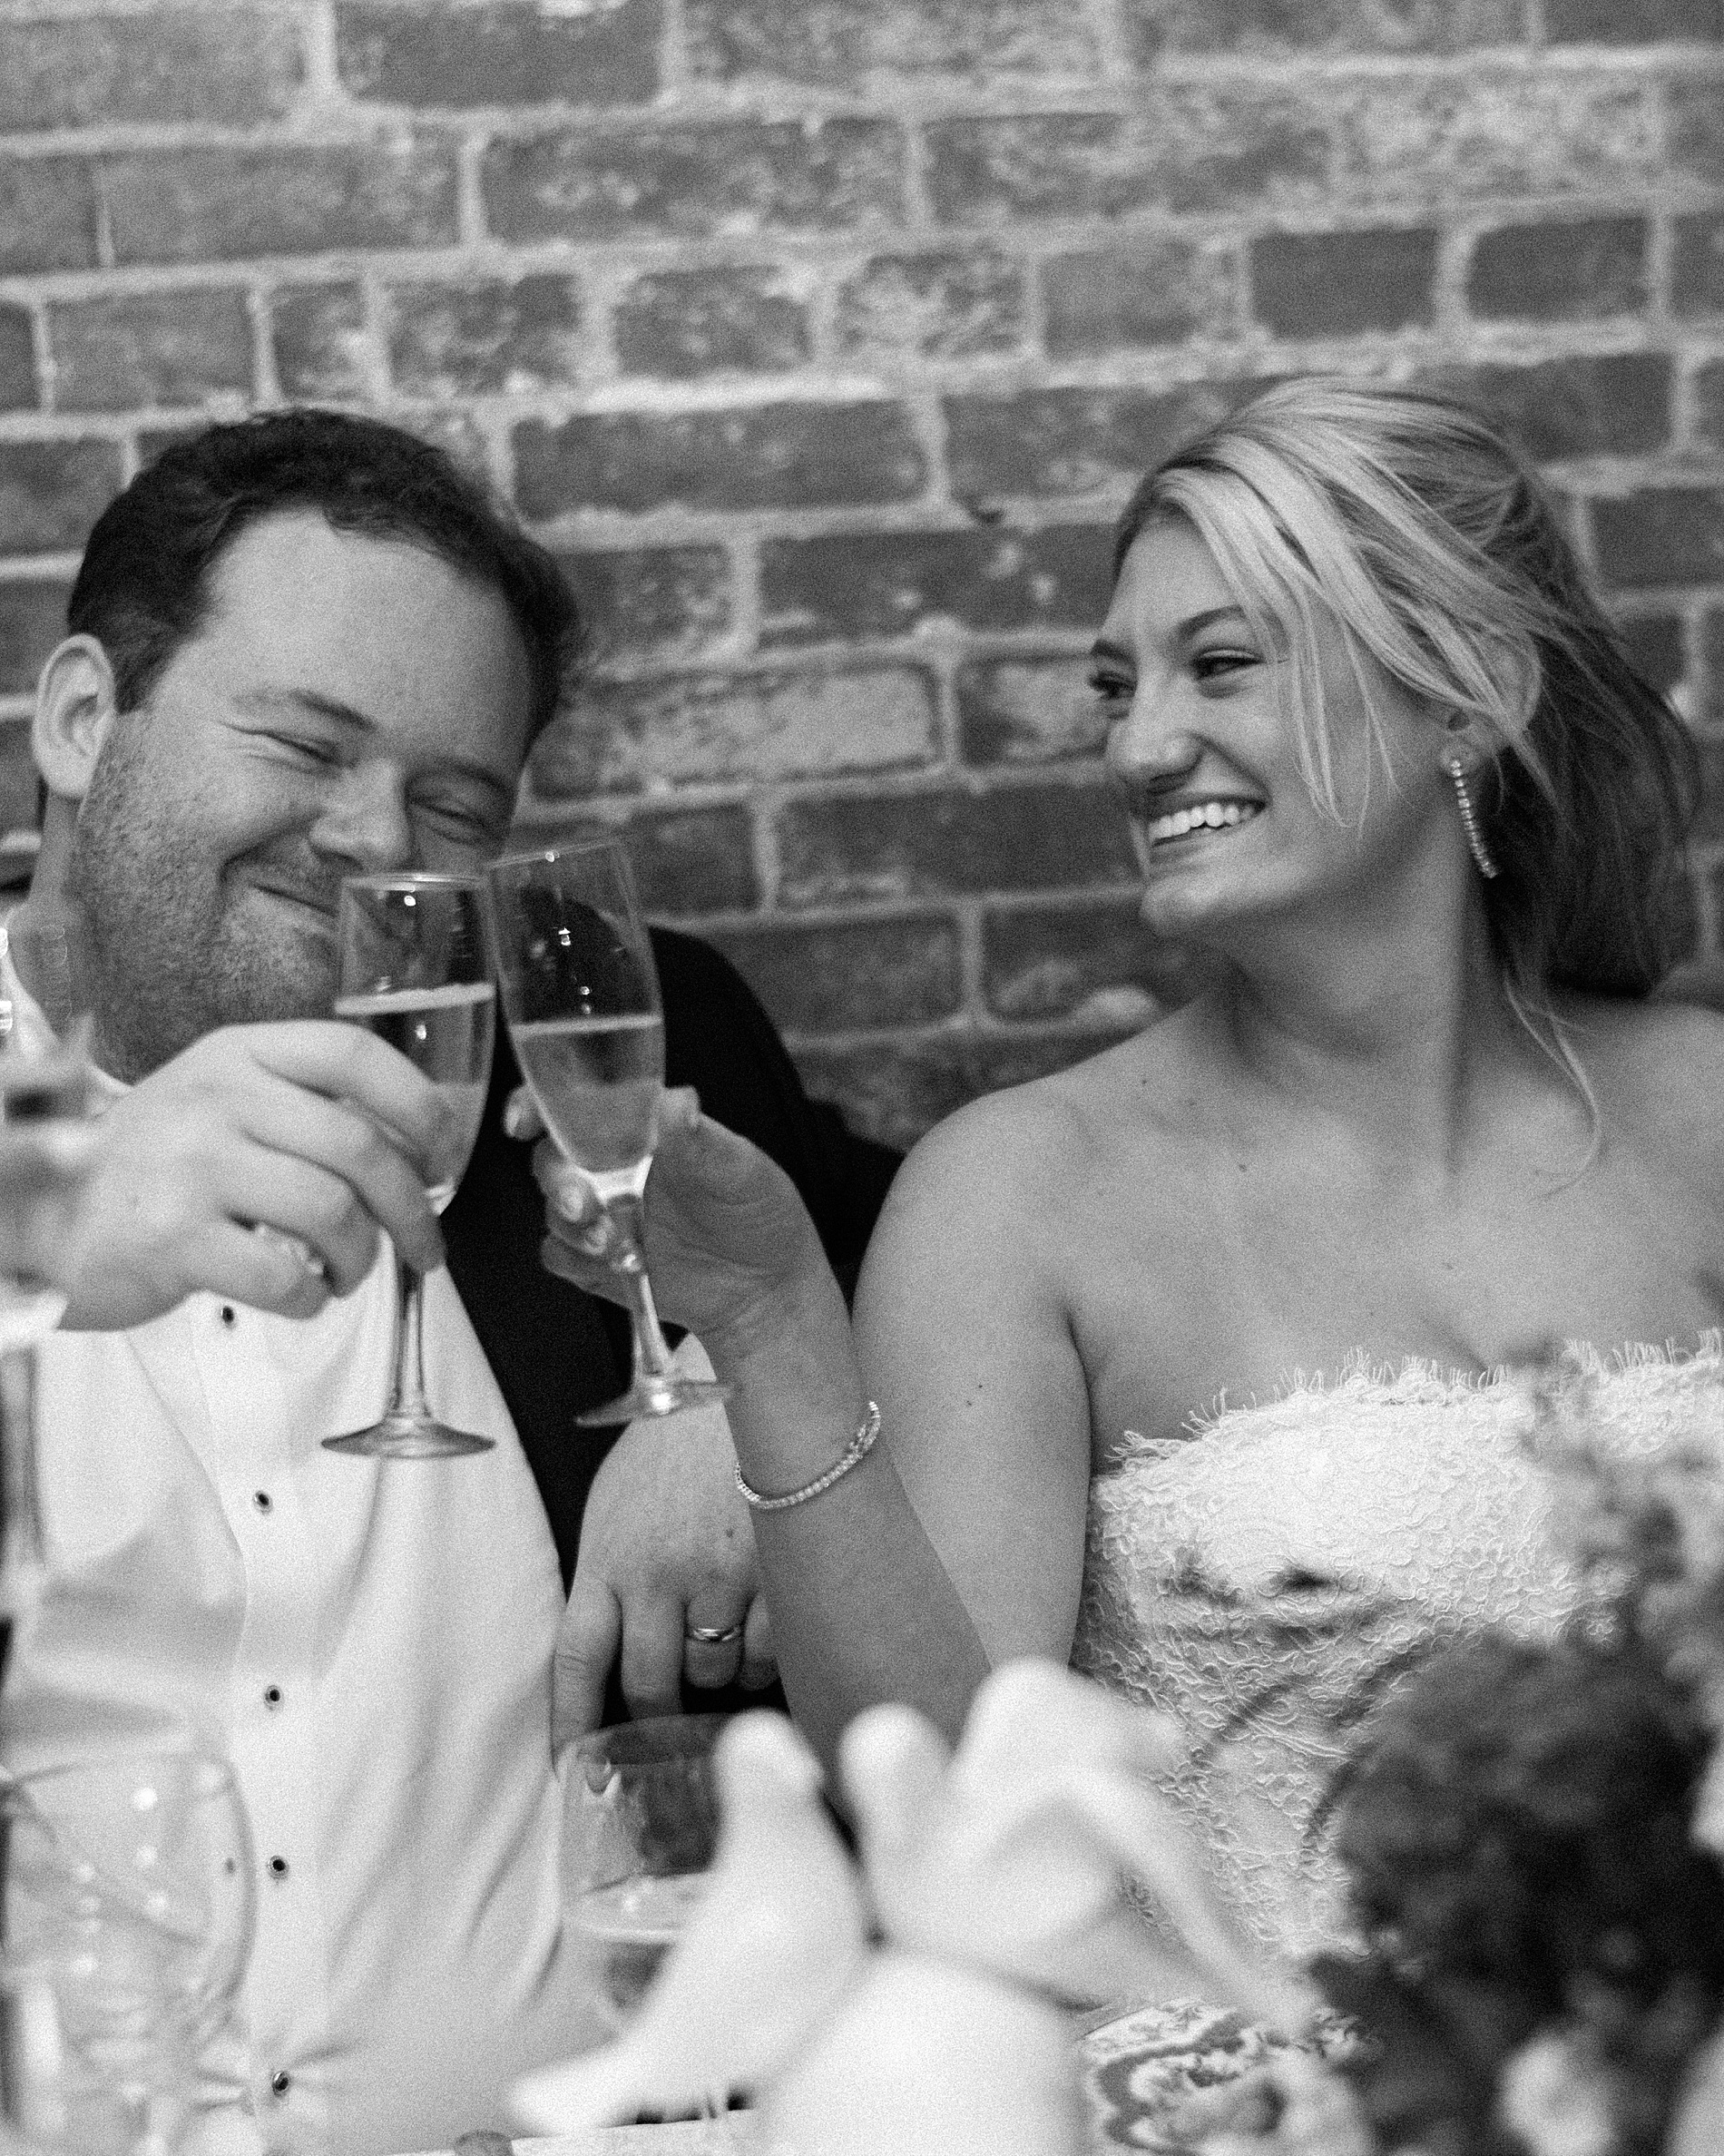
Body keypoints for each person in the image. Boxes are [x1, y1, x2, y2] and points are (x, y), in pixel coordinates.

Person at [539, 376, 1724, 1971]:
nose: (1142, 746)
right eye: (1115, 689)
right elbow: (954, 1827)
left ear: (1470, 693)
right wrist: (765, 1329)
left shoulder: (1705, 1111)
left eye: (1218, 665)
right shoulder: (1020, 1194)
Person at [0, 407, 896, 2156]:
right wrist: (32, 1240)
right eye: (303, 741)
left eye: (452, 803)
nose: (370, 838)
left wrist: (736, 1396)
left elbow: (954, 1282)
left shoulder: (608, 1046)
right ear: (83, 718)